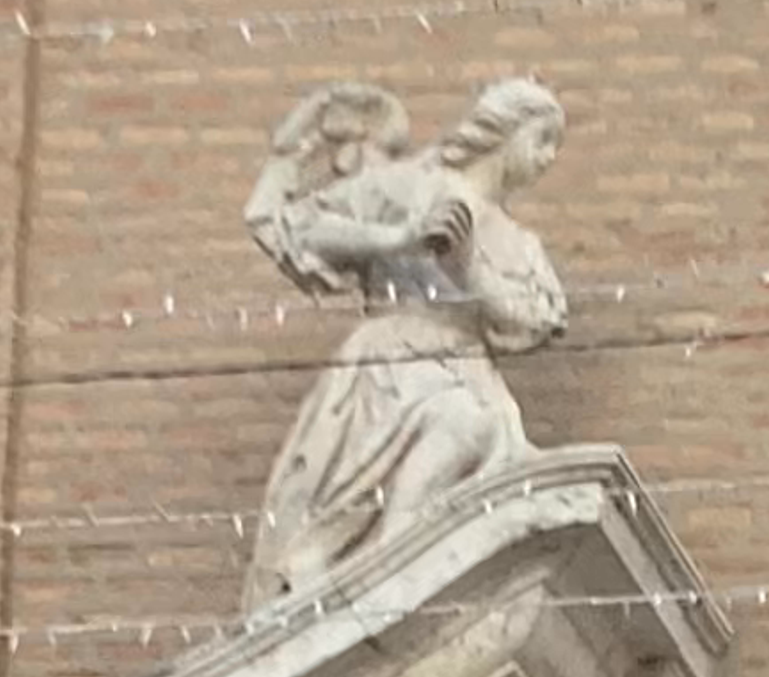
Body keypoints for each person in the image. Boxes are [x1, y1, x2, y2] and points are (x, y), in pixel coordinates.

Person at [241, 76, 569, 606]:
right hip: (395, 359)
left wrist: (467, 271)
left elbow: (534, 321)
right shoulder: (408, 186)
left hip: (469, 366)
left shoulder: (518, 241)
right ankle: (388, 565)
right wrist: (396, 238)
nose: (549, 157)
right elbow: (304, 228)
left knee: (475, 427)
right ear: (502, 132)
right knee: (457, 423)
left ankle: (402, 564)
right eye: (543, 139)